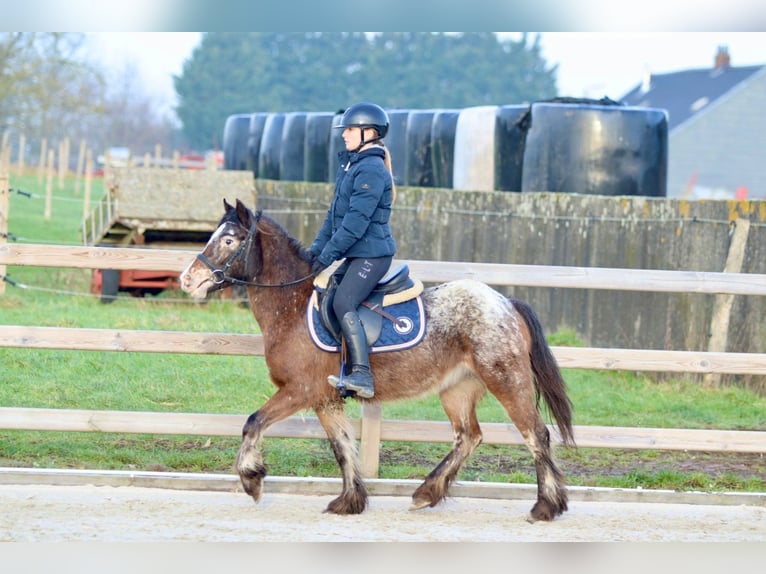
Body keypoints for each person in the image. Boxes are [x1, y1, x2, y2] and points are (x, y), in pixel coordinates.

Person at [308, 102, 397, 399]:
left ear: (368, 133)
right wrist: (314, 252)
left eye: (349, 129)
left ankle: (363, 374)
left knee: (343, 301)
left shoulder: (371, 170)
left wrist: (326, 257)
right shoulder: (352, 166)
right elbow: (334, 218)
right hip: (359, 253)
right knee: (331, 294)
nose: (344, 135)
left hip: (373, 255)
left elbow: (354, 225)